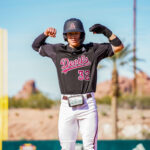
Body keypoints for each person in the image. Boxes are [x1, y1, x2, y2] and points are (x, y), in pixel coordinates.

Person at [32, 18, 124, 150]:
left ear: (81, 34)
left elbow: (118, 46)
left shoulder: (92, 49)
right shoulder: (57, 50)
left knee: (89, 147)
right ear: (65, 36)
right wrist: (45, 34)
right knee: (66, 147)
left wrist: (105, 30)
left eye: (76, 33)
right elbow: (35, 46)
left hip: (87, 105)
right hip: (66, 105)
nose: (73, 36)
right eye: (70, 33)